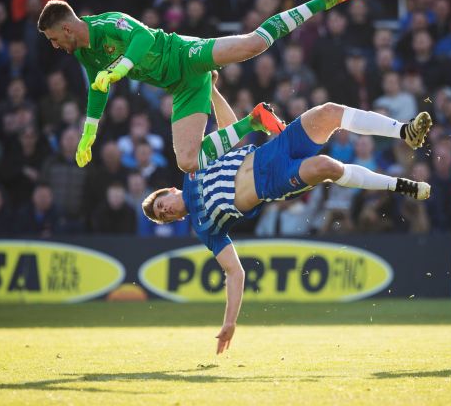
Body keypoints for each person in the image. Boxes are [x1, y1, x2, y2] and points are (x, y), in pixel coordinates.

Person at [141, 78, 433, 354]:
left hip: (271, 150)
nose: (164, 211)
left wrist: (212, 91)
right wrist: (229, 322)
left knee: (328, 112)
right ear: (175, 221)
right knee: (325, 166)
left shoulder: (193, 168)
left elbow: (230, 131)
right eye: (163, 216)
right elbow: (235, 272)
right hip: (274, 182)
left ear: (167, 190)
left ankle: (404, 131)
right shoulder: (205, 227)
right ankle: (399, 184)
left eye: (160, 205)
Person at [36, 0, 366, 172]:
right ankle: (254, 120)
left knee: (252, 44)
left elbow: (145, 38)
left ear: (66, 28)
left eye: (53, 39)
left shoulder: (107, 24)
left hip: (184, 54)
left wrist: (119, 69)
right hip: (179, 86)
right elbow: (98, 87)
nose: (54, 46)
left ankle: (324, 0)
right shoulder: (81, 51)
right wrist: (88, 132)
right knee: (187, 162)